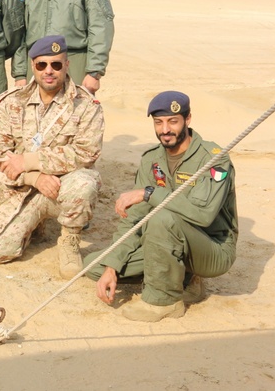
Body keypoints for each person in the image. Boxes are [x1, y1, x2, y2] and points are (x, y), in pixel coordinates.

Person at [85, 91, 237, 322]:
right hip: (166, 241)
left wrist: (150, 193)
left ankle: (164, 301)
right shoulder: (152, 159)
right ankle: (183, 279)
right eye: (159, 122)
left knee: (162, 218)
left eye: (173, 121)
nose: (165, 129)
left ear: (187, 119)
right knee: (94, 265)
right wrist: (111, 267)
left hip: (210, 249)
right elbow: (135, 217)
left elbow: (203, 215)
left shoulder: (213, 158)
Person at [0, 35, 103, 278]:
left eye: (56, 65)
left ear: (66, 66)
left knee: (85, 183)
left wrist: (29, 161)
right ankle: (34, 224)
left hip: (62, 187)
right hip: (21, 188)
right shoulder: (11, 102)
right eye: (42, 65)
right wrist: (34, 178)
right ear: (33, 66)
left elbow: (86, 152)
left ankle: (69, 239)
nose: (49, 71)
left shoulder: (86, 105)